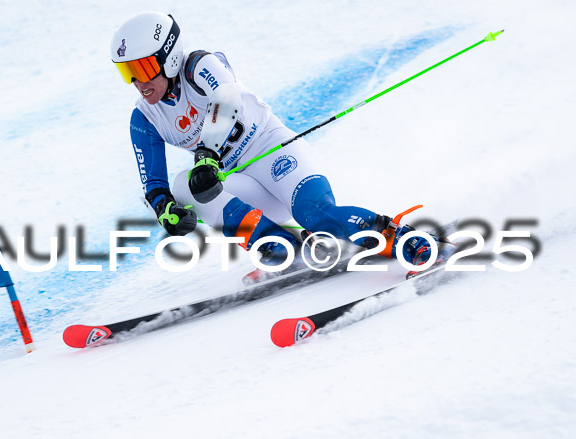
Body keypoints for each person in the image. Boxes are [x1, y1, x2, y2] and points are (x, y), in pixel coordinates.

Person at [110, 12, 434, 268]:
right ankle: (276, 242)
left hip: (275, 153)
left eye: (143, 67)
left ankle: (401, 238)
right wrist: (166, 210)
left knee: (316, 214)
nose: (138, 82)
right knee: (184, 186)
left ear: (169, 58)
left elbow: (226, 96)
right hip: (243, 186)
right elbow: (154, 186)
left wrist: (206, 155)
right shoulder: (145, 118)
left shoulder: (199, 65)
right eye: (128, 72)